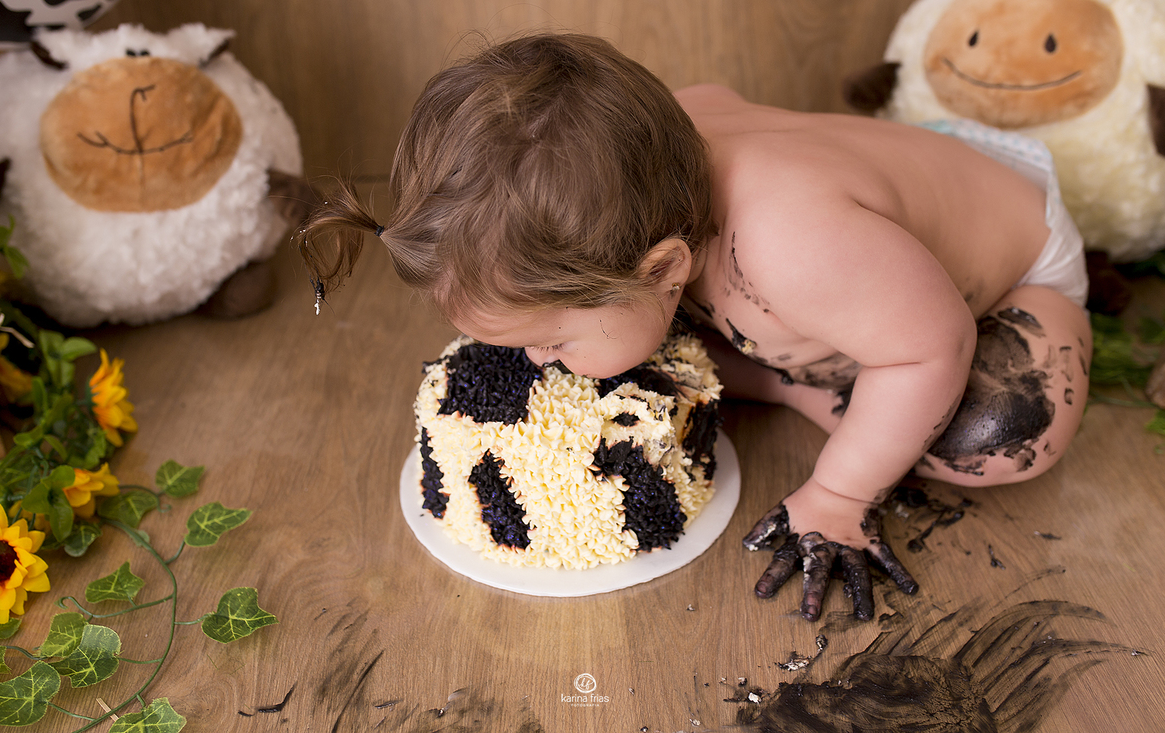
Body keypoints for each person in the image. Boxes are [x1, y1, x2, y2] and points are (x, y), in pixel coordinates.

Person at [300, 32, 1092, 621]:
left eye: (551, 338)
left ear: (666, 269)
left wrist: (841, 492)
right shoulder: (642, 155)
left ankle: (826, 389)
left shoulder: (795, 244)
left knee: (994, 433)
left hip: (1008, 259)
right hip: (875, 253)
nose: (541, 359)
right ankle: (816, 379)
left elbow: (937, 344)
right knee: (647, 352)